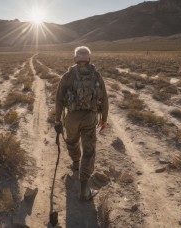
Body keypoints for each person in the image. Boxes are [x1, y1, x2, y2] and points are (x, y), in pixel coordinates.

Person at [54, 46, 108, 201]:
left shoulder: (68, 76)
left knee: (72, 141)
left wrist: (57, 120)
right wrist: (104, 119)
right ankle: (84, 190)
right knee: (89, 150)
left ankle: (76, 163)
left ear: (75, 59)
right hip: (90, 118)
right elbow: (104, 99)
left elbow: (58, 100)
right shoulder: (97, 76)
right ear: (89, 59)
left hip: (71, 118)